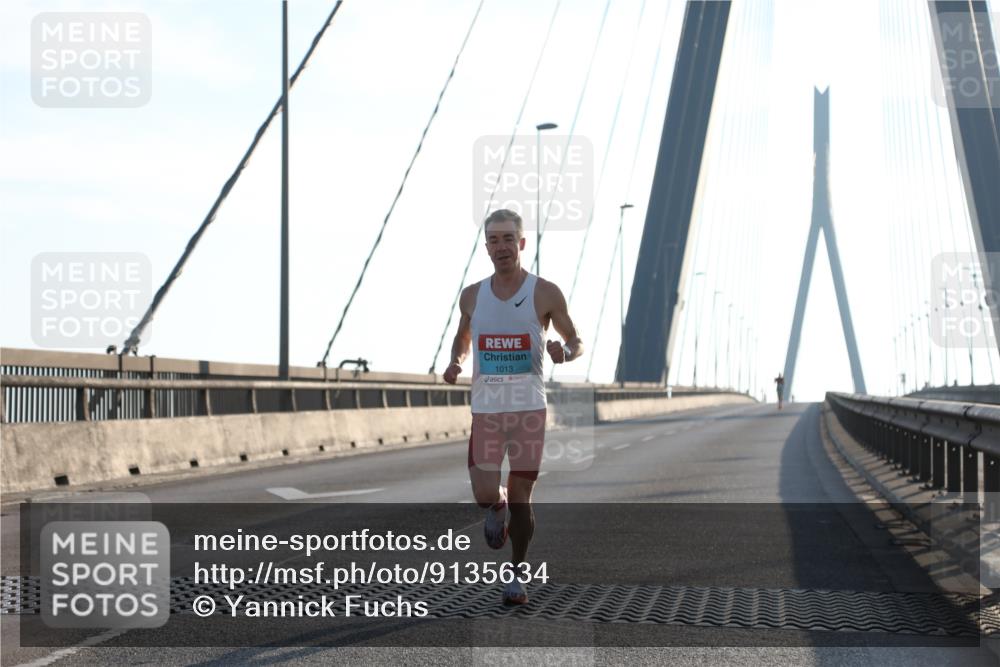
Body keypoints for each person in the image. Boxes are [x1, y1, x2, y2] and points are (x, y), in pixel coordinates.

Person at [443, 208, 582, 606]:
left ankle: (517, 575)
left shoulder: (545, 292)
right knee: (485, 493)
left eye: (508, 239)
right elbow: (463, 336)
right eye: (493, 240)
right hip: (487, 411)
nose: (501, 247)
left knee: (524, 494)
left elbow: (576, 339)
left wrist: (565, 352)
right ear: (486, 247)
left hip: (527, 413)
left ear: (521, 244)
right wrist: (457, 361)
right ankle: (495, 505)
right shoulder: (472, 295)